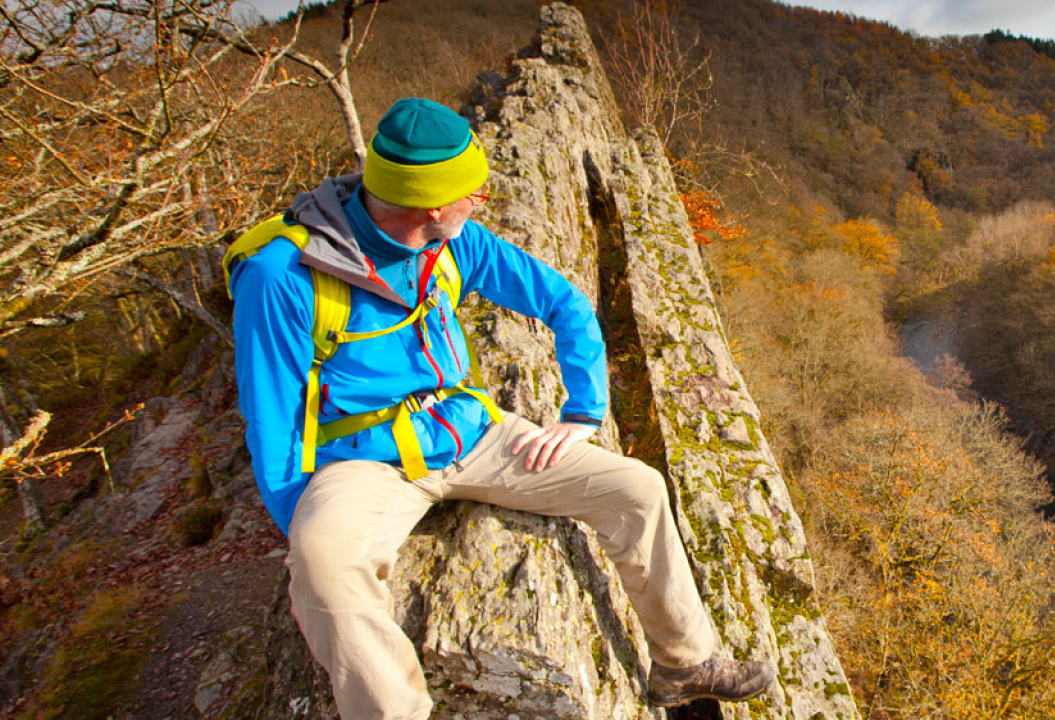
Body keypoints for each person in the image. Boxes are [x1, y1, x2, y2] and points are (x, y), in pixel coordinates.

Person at [229, 97, 772, 719]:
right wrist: (307, 534)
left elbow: (564, 303)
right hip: (362, 462)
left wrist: (583, 413)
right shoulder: (282, 276)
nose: (483, 199)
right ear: (433, 203)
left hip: (468, 432)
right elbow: (273, 426)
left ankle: (683, 664)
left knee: (637, 489)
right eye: (474, 190)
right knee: (324, 566)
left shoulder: (452, 242)